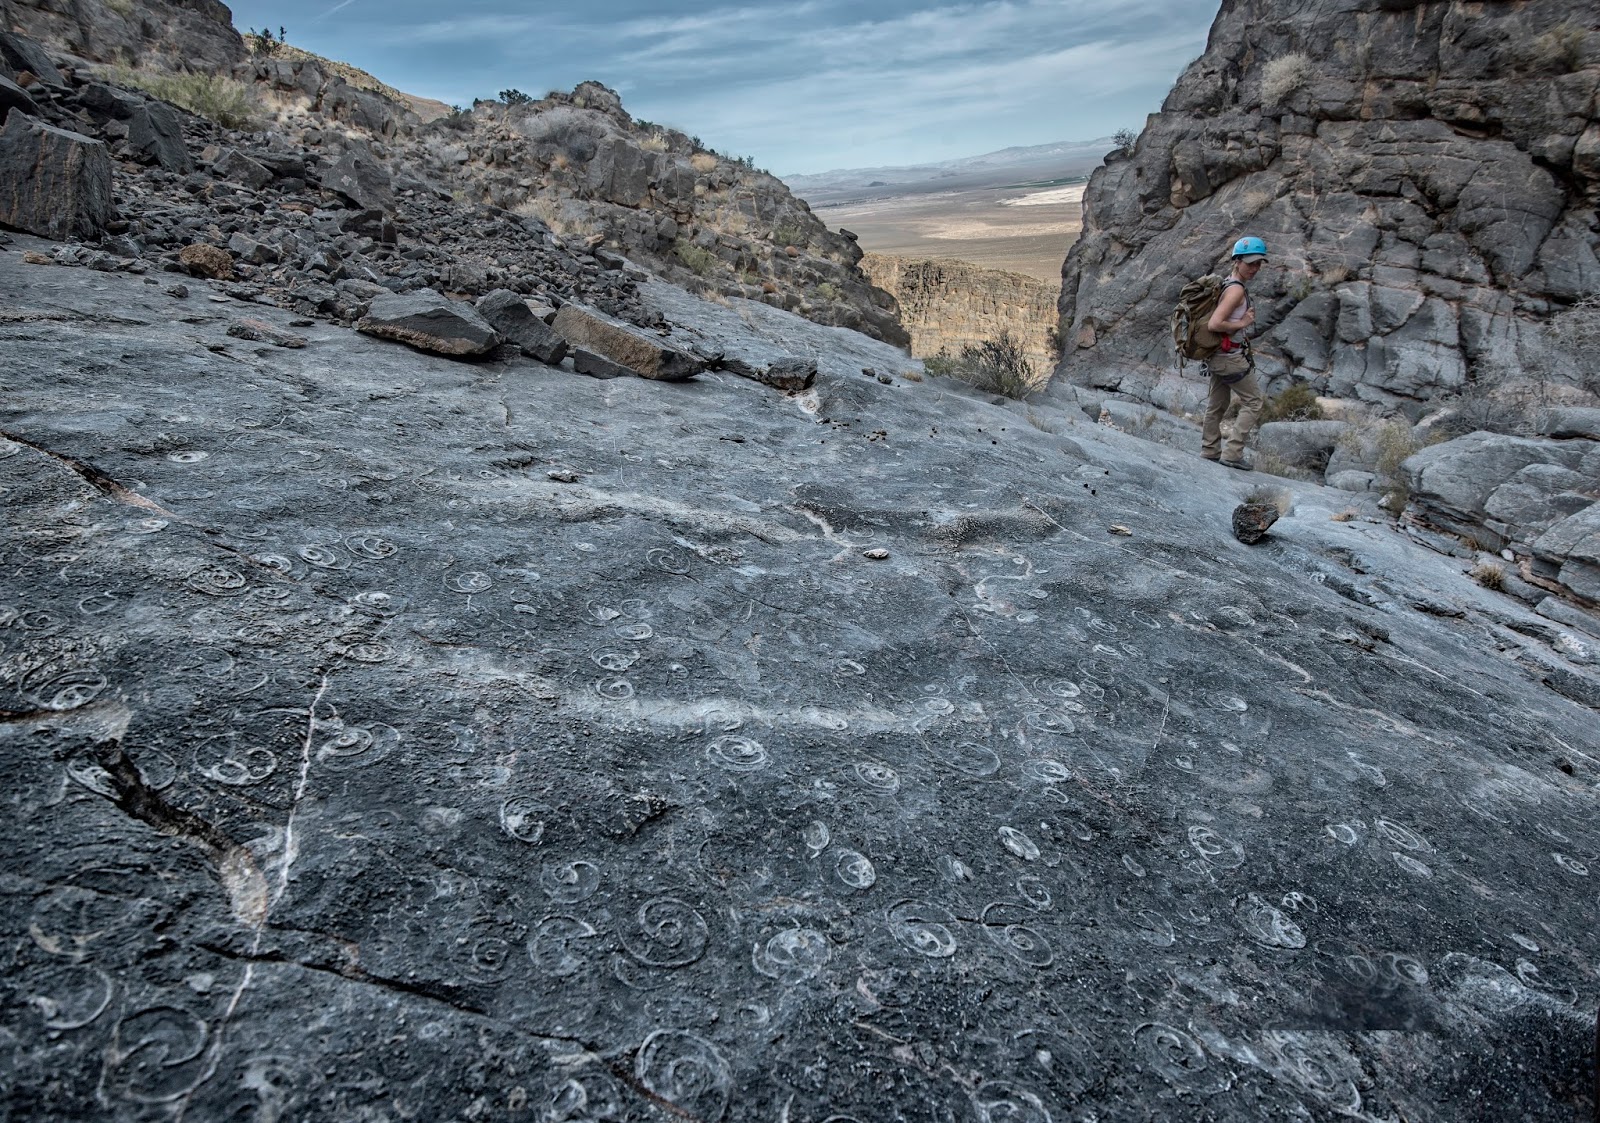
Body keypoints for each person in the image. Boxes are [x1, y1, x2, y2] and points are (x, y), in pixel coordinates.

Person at [1201, 236, 1268, 470]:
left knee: (1218, 403)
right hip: (1229, 358)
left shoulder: (1227, 283)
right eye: (1250, 263)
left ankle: (1210, 450)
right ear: (1237, 261)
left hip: (1217, 355)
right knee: (1254, 403)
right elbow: (1214, 324)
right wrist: (1243, 323)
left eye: (1259, 263)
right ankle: (1232, 453)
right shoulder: (1236, 291)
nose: (1255, 268)